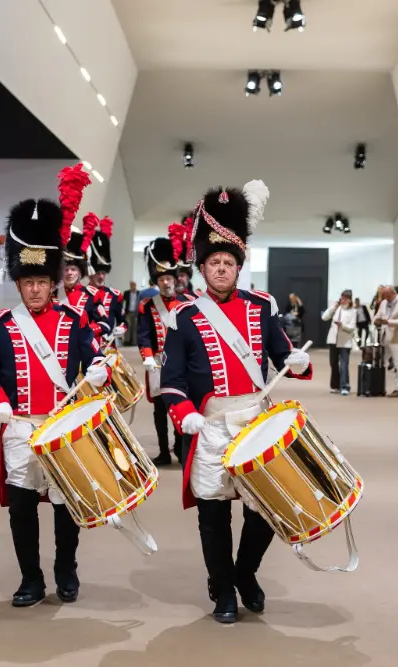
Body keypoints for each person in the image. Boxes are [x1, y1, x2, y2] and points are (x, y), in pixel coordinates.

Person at [160, 179, 312, 624]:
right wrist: (184, 413)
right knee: (213, 512)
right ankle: (222, 589)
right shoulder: (183, 316)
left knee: (263, 508)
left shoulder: (261, 305)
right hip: (208, 425)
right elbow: (171, 380)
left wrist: (298, 361)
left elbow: (284, 356)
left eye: (228, 262)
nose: (221, 269)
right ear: (202, 268)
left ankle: (245, 573)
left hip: (256, 420)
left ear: (238, 266)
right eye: (214, 262)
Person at [0, 164, 113, 608]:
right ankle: (30, 577)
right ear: (18, 282)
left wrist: (99, 371)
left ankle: (65, 569)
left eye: (42, 282)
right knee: (24, 507)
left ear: (53, 283)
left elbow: (96, 360)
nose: (34, 289)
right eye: (27, 282)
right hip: (17, 428)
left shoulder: (74, 322)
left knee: (68, 502)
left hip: (62, 425)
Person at [137, 235, 189, 466]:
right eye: (162, 279)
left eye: (169, 278)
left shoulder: (187, 303)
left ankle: (180, 446)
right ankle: (163, 451)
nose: (166, 283)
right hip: (157, 363)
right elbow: (143, 334)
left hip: (181, 363)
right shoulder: (147, 306)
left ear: (175, 279)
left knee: (180, 404)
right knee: (160, 410)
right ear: (156, 282)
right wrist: (147, 356)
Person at [57, 219, 112, 338]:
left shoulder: (91, 295)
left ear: (80, 272)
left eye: (73, 269)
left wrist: (86, 331)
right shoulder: (53, 294)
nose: (69, 273)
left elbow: (104, 324)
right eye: (66, 269)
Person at [86, 215, 126, 344]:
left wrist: (122, 328)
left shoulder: (115, 295)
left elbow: (123, 320)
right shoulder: (81, 294)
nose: (101, 276)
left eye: (103, 272)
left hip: (108, 348)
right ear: (90, 272)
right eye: (98, 273)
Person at [373, 285, 398, 397]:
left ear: (394, 294)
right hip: (384, 336)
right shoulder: (384, 302)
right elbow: (378, 315)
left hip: (397, 337)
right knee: (381, 363)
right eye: (385, 296)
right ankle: (380, 387)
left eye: (388, 296)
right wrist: (376, 320)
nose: (386, 298)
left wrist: (389, 322)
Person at [322, 290, 356, 396]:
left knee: (344, 365)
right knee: (333, 364)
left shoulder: (353, 311)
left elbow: (352, 328)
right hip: (333, 340)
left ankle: (345, 386)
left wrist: (342, 325)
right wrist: (334, 307)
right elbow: (324, 317)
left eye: (345, 298)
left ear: (350, 300)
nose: (343, 300)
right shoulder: (336, 308)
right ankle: (335, 386)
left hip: (345, 342)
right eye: (342, 298)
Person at [122, 281, 140, 346]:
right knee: (128, 326)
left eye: (134, 285)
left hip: (136, 313)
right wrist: (122, 309)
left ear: (136, 285)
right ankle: (127, 341)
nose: (132, 286)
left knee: (135, 327)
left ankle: (134, 342)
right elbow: (122, 302)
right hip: (128, 312)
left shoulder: (139, 293)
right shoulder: (126, 293)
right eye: (131, 285)